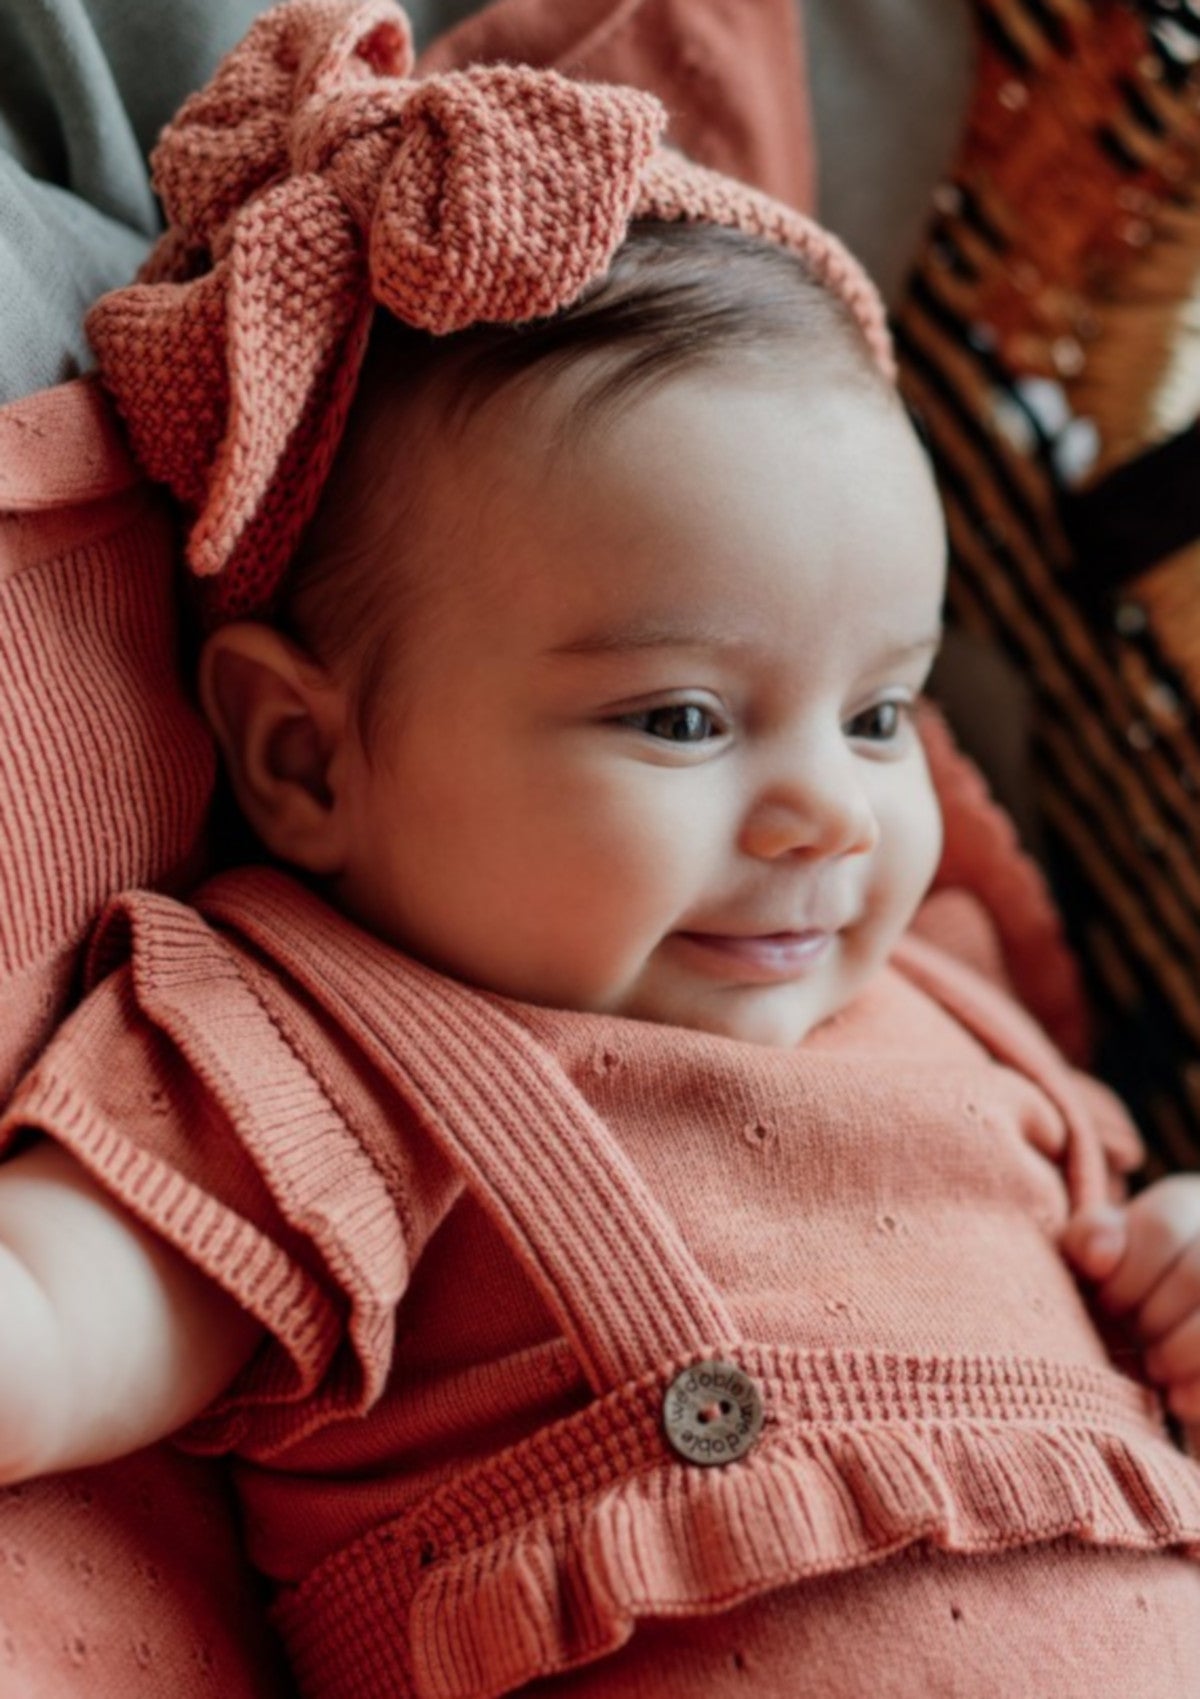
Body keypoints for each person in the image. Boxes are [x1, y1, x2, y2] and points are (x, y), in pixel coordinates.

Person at [4, 3, 1200, 1696]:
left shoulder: (958, 1017)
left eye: (880, 716)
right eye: (685, 722)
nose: (833, 812)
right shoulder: (317, 1058)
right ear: (301, 753)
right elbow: (56, 1322)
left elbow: (1125, 1276)